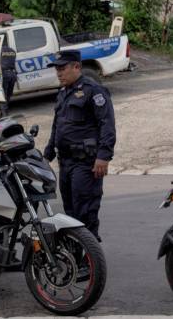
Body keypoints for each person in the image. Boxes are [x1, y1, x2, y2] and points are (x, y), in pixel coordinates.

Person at [44, 50, 116, 241]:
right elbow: (57, 125)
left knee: (84, 210)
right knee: (70, 211)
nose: (59, 73)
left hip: (86, 163)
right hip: (65, 162)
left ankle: (90, 258)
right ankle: (75, 253)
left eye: (62, 68)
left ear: (77, 67)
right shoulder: (63, 92)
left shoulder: (94, 90)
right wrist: (47, 154)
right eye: (56, 69)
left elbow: (107, 125)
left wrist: (103, 156)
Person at [0, 37, 17, 118]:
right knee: (8, 95)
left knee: (3, 95)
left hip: (5, 74)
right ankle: (1, 113)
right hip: (13, 74)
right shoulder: (13, 51)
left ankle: (5, 115)